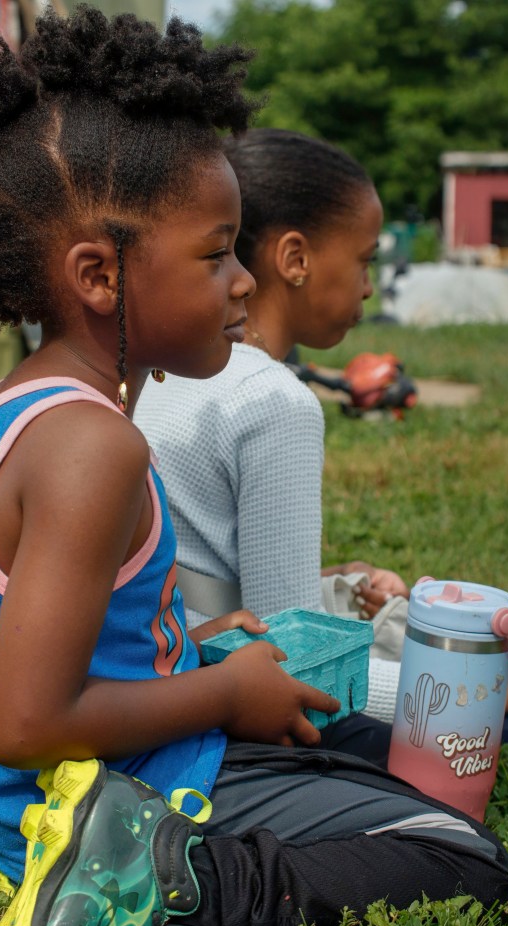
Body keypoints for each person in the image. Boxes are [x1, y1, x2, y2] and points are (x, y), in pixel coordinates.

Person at [0, 12, 508, 926]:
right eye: (214, 252)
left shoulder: (22, 410)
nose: (241, 280)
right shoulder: (92, 447)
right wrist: (224, 690)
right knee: (461, 852)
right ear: (100, 277)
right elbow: (24, 722)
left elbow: (75, 636)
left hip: (107, 768)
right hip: (91, 805)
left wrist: (196, 643)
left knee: (385, 750)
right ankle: (167, 888)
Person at [135, 129, 408, 722]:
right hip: (217, 689)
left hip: (170, 655)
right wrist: (480, 691)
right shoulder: (274, 401)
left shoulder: (167, 368)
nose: (367, 285)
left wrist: (335, 579)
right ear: (295, 259)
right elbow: (291, 656)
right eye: (364, 260)